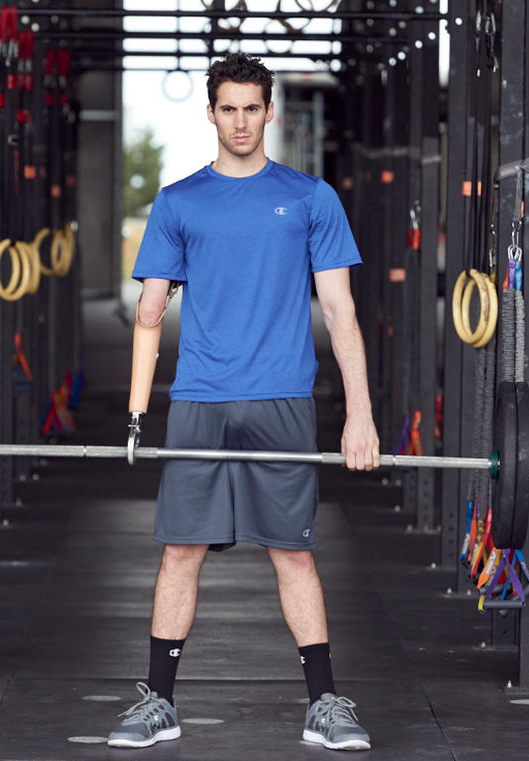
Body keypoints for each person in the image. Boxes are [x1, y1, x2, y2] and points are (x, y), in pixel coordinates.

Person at [108, 52, 380, 752]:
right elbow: (148, 314)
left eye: (250, 108)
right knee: (180, 551)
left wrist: (361, 413)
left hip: (283, 397)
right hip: (200, 398)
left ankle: (324, 701)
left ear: (270, 112)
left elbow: (341, 313)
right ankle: (157, 703)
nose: (239, 120)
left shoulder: (312, 198)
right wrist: (138, 412)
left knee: (293, 553)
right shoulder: (178, 202)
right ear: (210, 112)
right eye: (227, 108)